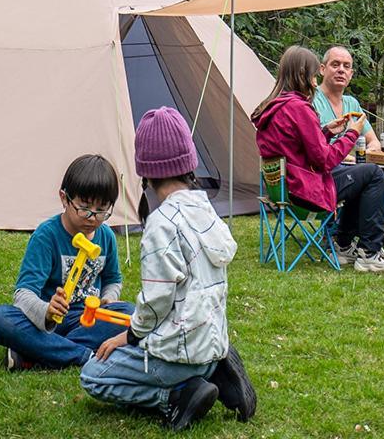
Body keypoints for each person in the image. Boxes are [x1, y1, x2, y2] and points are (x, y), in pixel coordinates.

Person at [80, 107, 257, 431]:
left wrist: (129, 337)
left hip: (178, 355)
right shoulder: (206, 209)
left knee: (92, 375)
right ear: (189, 161)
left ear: (145, 170)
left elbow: (156, 300)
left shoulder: (162, 225)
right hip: (211, 342)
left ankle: (177, 396)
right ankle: (215, 369)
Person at [251, 45, 384, 273]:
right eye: (314, 74)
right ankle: (370, 252)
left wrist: (327, 132)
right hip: (304, 191)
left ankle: (343, 244)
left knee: (360, 176)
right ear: (305, 75)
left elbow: (296, 149)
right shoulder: (299, 108)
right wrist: (352, 132)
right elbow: (324, 160)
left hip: (284, 189)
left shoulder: (276, 106)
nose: (314, 80)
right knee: (372, 173)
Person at [0, 154, 134, 370]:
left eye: (102, 210)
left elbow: (113, 279)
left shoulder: (106, 236)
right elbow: (23, 294)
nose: (92, 217)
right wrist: (46, 310)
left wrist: (108, 300)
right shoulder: (46, 236)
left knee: (131, 313)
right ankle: (85, 356)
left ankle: (35, 354)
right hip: (47, 325)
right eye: (84, 207)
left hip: (86, 322)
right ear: (64, 198)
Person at [313, 45, 384, 247]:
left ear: (351, 74)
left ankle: (380, 223)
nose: (341, 70)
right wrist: (354, 159)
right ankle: (337, 231)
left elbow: (374, 141)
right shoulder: (313, 100)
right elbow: (316, 147)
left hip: (352, 163)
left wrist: (369, 152)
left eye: (346, 66)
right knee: (368, 173)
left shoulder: (352, 103)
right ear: (322, 69)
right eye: (335, 64)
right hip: (327, 167)